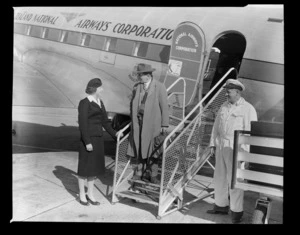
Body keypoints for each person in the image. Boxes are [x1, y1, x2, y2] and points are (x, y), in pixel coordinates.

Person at [207, 78, 257, 223]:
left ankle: (236, 212)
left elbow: (250, 133)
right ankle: (221, 206)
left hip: (236, 147)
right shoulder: (224, 106)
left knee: (234, 180)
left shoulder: (248, 109)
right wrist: (212, 144)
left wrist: (246, 155)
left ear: (237, 92)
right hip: (222, 145)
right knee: (219, 177)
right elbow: (216, 126)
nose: (226, 95)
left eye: (228, 92)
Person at [77, 78, 122, 206]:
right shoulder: (84, 103)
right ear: (95, 89)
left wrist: (115, 133)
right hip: (88, 140)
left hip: (98, 140)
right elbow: (83, 124)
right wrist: (87, 142)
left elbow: (105, 122)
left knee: (94, 168)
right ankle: (82, 194)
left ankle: (90, 194)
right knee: (84, 169)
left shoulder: (100, 102)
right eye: (101, 88)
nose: (102, 90)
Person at [127, 63, 169, 184]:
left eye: (142, 75)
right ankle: (139, 172)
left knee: (153, 151)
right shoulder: (137, 87)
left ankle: (153, 175)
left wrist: (164, 124)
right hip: (139, 124)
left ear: (149, 75)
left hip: (153, 125)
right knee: (140, 148)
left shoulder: (159, 87)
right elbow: (132, 106)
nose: (140, 77)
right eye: (139, 75)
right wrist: (132, 120)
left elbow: (164, 107)